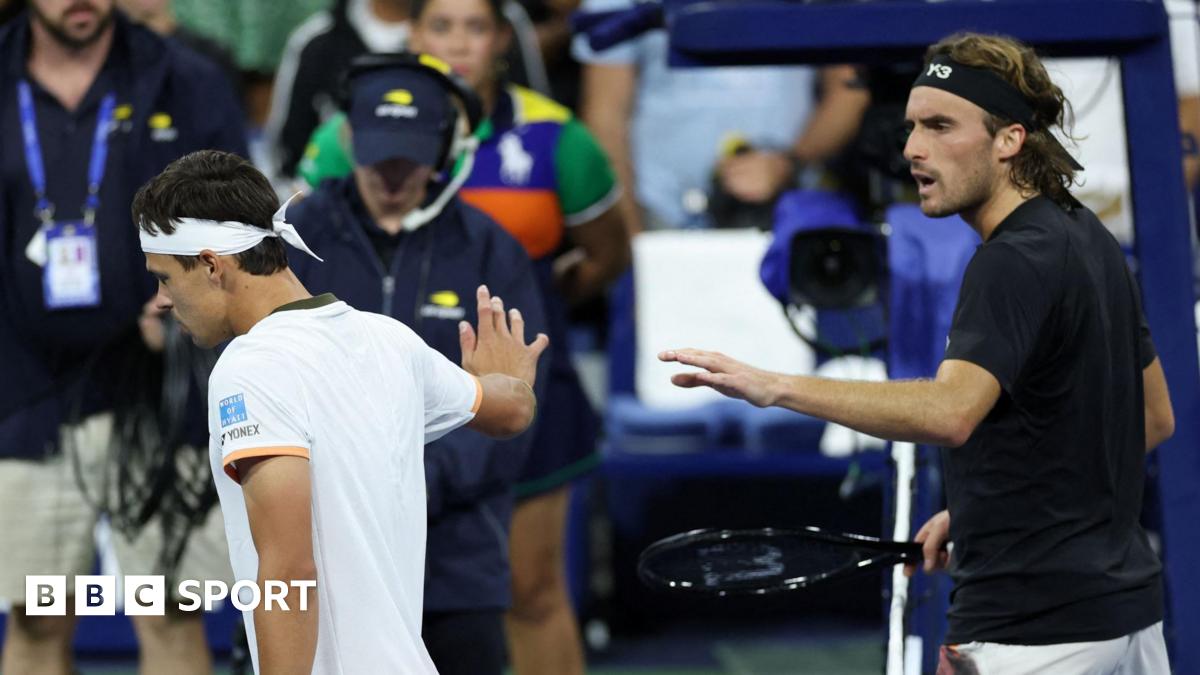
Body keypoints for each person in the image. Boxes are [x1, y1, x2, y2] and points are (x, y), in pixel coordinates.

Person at [660, 32, 1175, 674]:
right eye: (910, 128)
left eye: (939, 126)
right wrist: (982, 509)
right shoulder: (1085, 233)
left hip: (1032, 635)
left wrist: (776, 387)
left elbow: (950, 412)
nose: (912, 149)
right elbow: (1153, 419)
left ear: (1009, 138)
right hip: (1126, 622)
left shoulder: (1007, 262)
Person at [134, 148, 547, 674]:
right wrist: (509, 380)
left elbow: (287, 572)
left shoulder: (250, 367)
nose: (164, 299)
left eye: (165, 277)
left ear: (213, 265)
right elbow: (511, 410)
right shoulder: (389, 339)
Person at [284, 53, 550, 675]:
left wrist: (401, 485)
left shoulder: (489, 248)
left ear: (445, 148)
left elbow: (514, 408)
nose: (393, 174)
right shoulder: (292, 237)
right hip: (319, 550)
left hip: (454, 562)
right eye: (379, 153)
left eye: (410, 155)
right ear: (348, 138)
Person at [0, 1, 246, 673]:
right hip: (22, 392)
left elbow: (242, 224)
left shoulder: (183, 79)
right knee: (36, 612)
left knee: (169, 610)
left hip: (156, 390)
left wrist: (186, 295)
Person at [572, 0, 868, 232]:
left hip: (789, 210)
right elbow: (605, 114)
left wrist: (789, 161)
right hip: (660, 213)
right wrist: (633, 240)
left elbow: (849, 91)